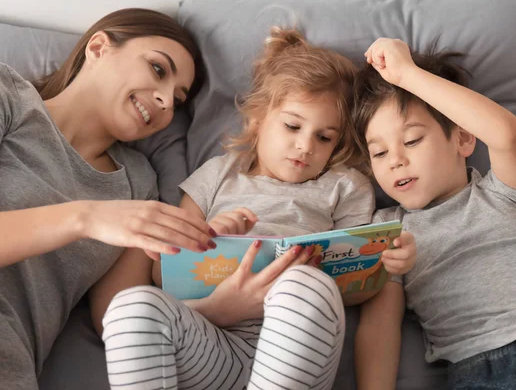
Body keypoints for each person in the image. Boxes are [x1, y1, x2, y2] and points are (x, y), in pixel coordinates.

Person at [100, 27, 417, 390]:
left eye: (324, 137)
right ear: (258, 120)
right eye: (292, 126)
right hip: (212, 343)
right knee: (131, 307)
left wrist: (383, 263)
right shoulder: (218, 174)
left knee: (303, 283)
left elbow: (357, 287)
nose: (304, 146)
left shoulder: (346, 186)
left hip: (297, 347)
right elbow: (162, 275)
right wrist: (208, 238)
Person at [0, 7, 295, 390]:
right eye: (158, 69)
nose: (166, 102)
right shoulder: (11, 98)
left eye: (178, 98)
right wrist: (85, 217)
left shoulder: (138, 184)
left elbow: (118, 318)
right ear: (99, 47)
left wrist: (213, 309)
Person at [352, 37, 516, 389]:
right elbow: (379, 327)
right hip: (481, 371)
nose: (396, 160)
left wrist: (407, 75)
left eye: (411, 141)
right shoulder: (390, 227)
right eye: (379, 153)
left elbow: (505, 134)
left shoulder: (507, 193)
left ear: (463, 140)